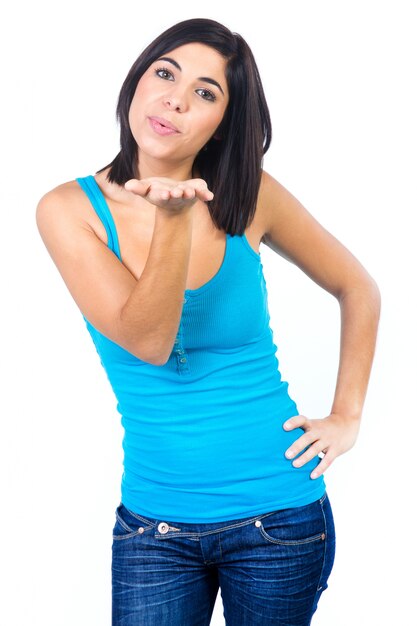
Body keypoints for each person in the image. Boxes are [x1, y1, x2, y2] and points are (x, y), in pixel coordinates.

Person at [36, 17, 381, 626]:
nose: (175, 97)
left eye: (206, 92)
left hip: (280, 519)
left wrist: (348, 415)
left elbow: (357, 287)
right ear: (137, 84)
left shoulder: (250, 196)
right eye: (165, 73)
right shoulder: (69, 210)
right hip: (154, 528)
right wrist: (172, 223)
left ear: (223, 123)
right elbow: (147, 340)